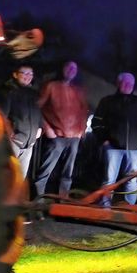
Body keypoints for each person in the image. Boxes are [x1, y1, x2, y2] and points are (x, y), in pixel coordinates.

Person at [92, 72, 137, 206]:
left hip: (135, 148)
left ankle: (129, 207)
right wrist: (104, 140)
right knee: (109, 180)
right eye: (125, 83)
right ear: (118, 84)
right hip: (113, 147)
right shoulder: (107, 101)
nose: (128, 86)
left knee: (132, 180)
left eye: (131, 83)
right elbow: (96, 123)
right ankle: (105, 207)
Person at [35, 60, 90, 198]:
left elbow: (84, 111)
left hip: (74, 138)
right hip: (57, 136)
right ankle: (38, 199)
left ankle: (63, 200)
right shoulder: (51, 86)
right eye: (69, 67)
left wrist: (81, 131)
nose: (71, 70)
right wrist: (47, 128)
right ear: (62, 69)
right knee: (45, 170)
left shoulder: (78, 90)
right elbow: (37, 107)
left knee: (68, 173)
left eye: (74, 68)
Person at [0, 65, 42, 184]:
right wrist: (10, 132)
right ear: (15, 74)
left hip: (29, 143)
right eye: (25, 73)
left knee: (20, 178)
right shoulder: (9, 92)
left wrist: (40, 127)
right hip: (14, 142)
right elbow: (2, 115)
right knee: (8, 176)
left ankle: (16, 201)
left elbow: (38, 112)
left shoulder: (34, 94)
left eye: (31, 74)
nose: (28, 76)